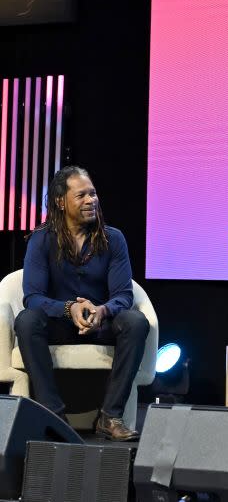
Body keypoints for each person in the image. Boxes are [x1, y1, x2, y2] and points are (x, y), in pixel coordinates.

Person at [15, 166, 149, 441]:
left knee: (135, 321)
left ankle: (110, 417)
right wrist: (68, 308)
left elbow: (124, 294)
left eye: (93, 193)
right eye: (82, 195)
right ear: (60, 202)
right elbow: (33, 296)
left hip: (100, 325)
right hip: (59, 325)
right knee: (26, 320)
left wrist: (103, 310)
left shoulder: (114, 239)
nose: (91, 200)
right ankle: (53, 415)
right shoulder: (42, 240)